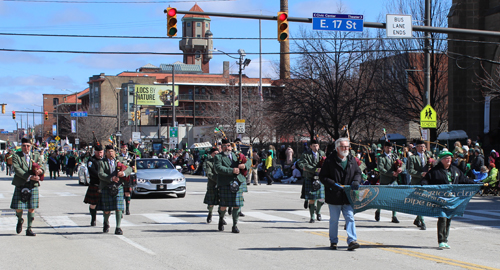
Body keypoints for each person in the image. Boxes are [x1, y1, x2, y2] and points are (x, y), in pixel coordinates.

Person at [421, 151, 476, 249]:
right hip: (440, 198)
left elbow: (464, 180)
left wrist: (477, 184)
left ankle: (445, 239)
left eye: (450, 158)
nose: (449, 159)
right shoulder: (435, 171)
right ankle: (441, 240)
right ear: (441, 160)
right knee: (442, 217)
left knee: (448, 218)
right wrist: (424, 186)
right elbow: (425, 180)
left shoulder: (455, 170)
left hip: (452, 199)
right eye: (446, 158)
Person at [319, 137, 361, 251]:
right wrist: (332, 184)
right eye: (343, 146)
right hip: (334, 195)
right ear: (337, 148)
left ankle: (352, 240)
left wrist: (356, 180)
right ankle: (333, 241)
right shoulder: (329, 160)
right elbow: (322, 177)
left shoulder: (352, 159)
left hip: (348, 194)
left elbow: (358, 172)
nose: (346, 149)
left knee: (350, 218)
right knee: (334, 220)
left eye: (347, 146)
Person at [214, 139, 249, 233]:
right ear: (221, 147)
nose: (227, 148)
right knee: (223, 205)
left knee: (237, 205)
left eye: (228, 145)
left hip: (238, 182)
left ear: (231, 146)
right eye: (224, 146)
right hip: (225, 183)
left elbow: (249, 161)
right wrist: (231, 170)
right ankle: (221, 219)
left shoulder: (236, 154)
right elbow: (218, 168)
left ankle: (235, 225)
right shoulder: (218, 157)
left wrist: (244, 166)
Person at [10, 138, 44, 236]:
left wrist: (40, 171)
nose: (26, 148)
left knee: (31, 207)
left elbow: (42, 165)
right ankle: (20, 219)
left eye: (28, 146)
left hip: (32, 185)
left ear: (31, 146)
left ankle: (29, 229)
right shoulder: (17, 156)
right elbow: (17, 169)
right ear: (21, 146)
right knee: (18, 208)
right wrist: (29, 177)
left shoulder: (36, 155)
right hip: (21, 183)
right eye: (24, 145)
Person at [98, 145, 132, 235]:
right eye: (109, 151)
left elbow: (129, 168)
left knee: (118, 208)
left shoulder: (120, 160)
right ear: (106, 153)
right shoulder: (102, 162)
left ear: (115, 152)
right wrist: (110, 178)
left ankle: (118, 227)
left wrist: (123, 173)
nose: (111, 153)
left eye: (112, 151)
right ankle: (106, 223)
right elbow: (100, 174)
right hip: (107, 186)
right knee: (107, 210)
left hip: (118, 187)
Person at [376, 141, 405, 223]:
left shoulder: (395, 156)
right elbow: (381, 169)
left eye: (391, 148)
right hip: (385, 180)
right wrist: (391, 173)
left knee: (394, 198)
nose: (390, 150)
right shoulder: (381, 157)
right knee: (382, 198)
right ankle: (378, 211)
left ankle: (394, 216)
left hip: (394, 180)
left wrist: (401, 169)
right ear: (384, 147)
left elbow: (403, 164)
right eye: (388, 148)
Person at [297, 139, 326, 223]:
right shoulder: (306, 154)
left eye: (317, 146)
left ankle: (318, 212)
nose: (315, 147)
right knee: (312, 198)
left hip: (320, 177)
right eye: (313, 146)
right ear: (310, 146)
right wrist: (312, 169)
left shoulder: (322, 153)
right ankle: (312, 216)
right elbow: (301, 163)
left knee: (321, 198)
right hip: (310, 177)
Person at [407, 140, 429, 230]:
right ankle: (422, 221)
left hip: (426, 182)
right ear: (416, 147)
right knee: (420, 201)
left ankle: (417, 219)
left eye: (424, 146)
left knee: (423, 202)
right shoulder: (412, 158)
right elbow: (410, 170)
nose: (422, 148)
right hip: (417, 181)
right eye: (420, 146)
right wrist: (420, 174)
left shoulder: (427, 156)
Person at [83, 144, 104, 226]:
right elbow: (92, 171)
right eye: (98, 152)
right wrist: (102, 176)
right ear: (95, 152)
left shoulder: (105, 160)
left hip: (104, 184)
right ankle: (93, 219)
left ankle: (106, 222)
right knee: (93, 204)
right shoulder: (91, 160)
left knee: (106, 204)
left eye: (101, 152)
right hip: (95, 184)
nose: (100, 154)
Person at [203, 147, 220, 224]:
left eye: (217, 153)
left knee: (223, 202)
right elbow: (209, 173)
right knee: (211, 203)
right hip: (212, 184)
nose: (216, 155)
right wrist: (217, 179)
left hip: (222, 184)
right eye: (214, 153)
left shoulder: (222, 161)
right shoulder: (208, 162)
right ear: (211, 154)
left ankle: (221, 218)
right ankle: (210, 213)